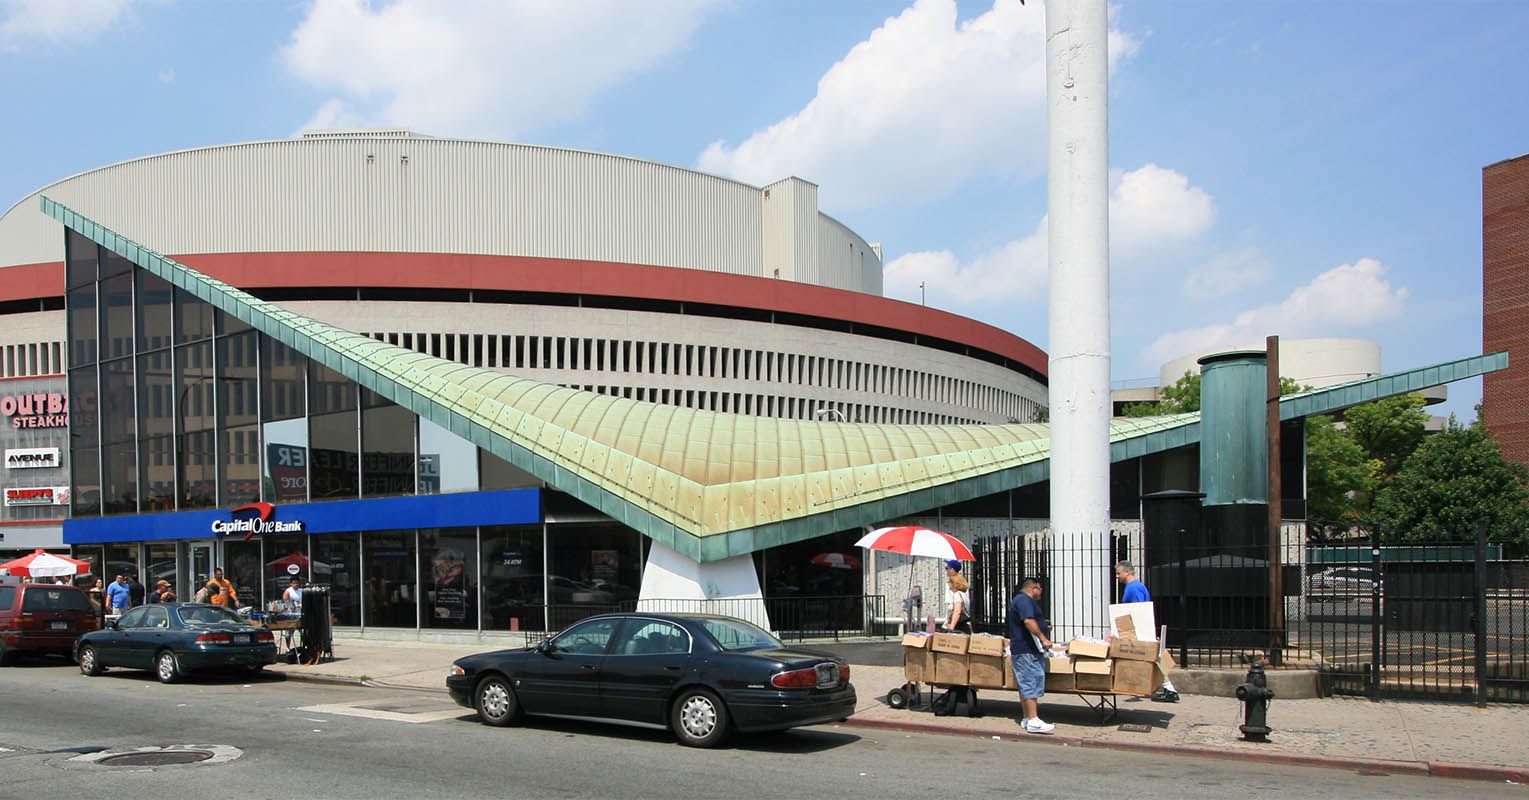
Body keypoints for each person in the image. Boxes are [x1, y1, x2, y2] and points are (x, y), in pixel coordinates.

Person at [1114, 560, 1179, 703]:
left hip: (1139, 629)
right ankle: (1166, 688)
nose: (1117, 576)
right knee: (1152, 659)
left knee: (1153, 659)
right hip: (1140, 628)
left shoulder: (1133, 588)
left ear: (1128, 572)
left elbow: (1139, 609)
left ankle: (1168, 689)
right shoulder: (1135, 586)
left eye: (1119, 573)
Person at [1007, 577, 1055, 734]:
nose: (1041, 593)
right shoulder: (1024, 601)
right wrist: (1044, 638)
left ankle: (1028, 718)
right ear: (1034, 588)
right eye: (1040, 589)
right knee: (1031, 680)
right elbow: (1028, 621)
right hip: (1026, 649)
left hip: (1025, 649)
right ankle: (1034, 720)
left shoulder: (1021, 601)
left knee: (1026, 683)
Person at [942, 560, 971, 633]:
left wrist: (951, 627)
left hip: (958, 626)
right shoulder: (963, 593)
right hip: (962, 625)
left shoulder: (957, 595)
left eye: (947, 568)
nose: (948, 585)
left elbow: (957, 611)